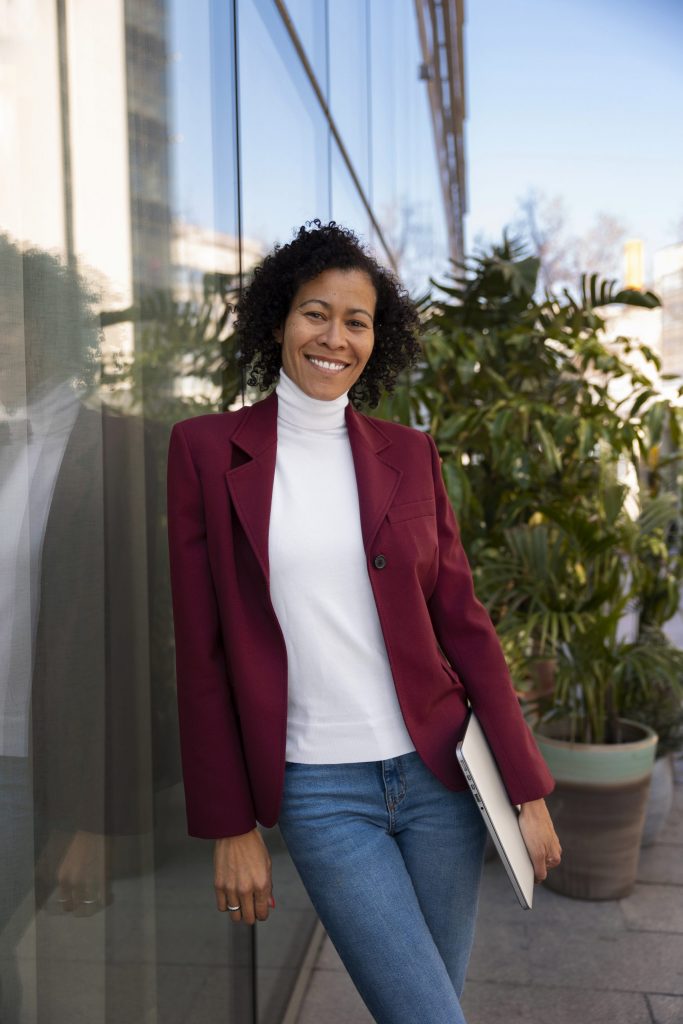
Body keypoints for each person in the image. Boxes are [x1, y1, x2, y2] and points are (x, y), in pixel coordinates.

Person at [166, 219, 561, 1024]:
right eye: (315, 313)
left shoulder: (407, 454)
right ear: (277, 319)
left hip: (442, 781)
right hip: (319, 790)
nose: (334, 337)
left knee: (427, 1004)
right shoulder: (206, 451)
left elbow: (463, 623)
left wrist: (526, 786)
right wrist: (229, 822)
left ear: (377, 340)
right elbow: (201, 653)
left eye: (356, 321)